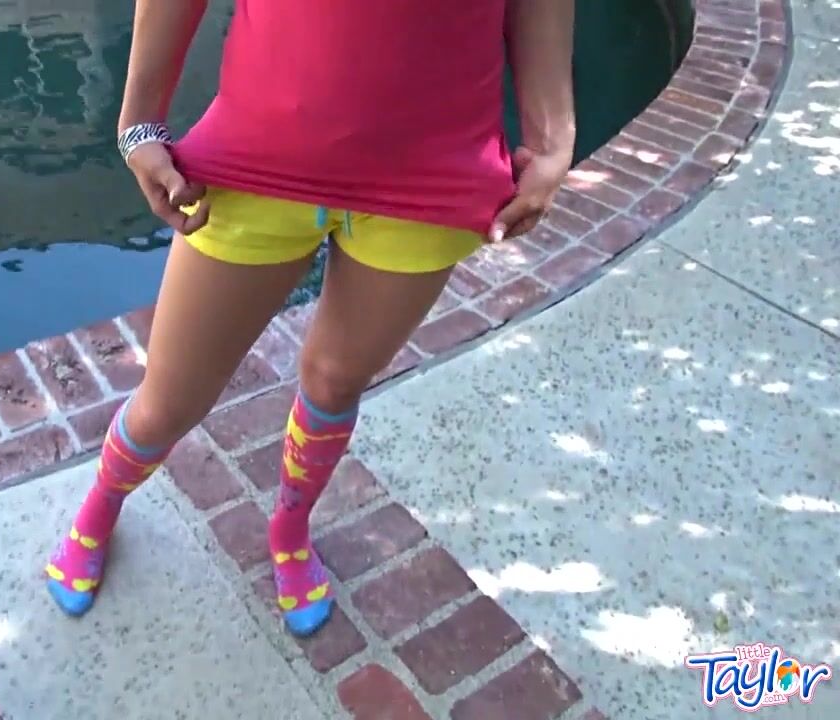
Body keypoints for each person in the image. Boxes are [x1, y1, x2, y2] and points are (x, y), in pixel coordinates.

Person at [46, 0, 575, 638]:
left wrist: (552, 134)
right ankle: (101, 504)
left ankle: (290, 527)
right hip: (254, 162)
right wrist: (137, 123)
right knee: (169, 400)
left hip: (433, 182)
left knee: (334, 381)